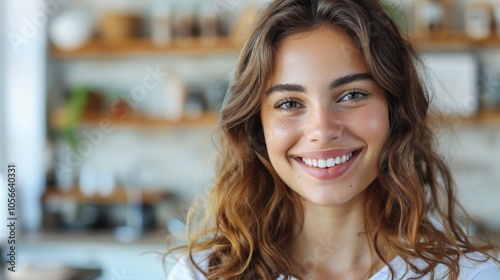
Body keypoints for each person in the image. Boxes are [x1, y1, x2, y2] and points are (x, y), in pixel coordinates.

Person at [165, 0, 500, 279]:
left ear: (394, 113)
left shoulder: (471, 275)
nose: (323, 131)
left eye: (352, 95)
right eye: (289, 103)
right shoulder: (202, 274)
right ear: (257, 127)